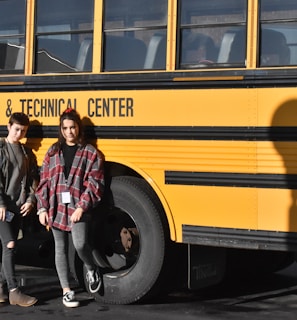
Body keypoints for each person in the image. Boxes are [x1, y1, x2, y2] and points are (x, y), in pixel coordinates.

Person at [35, 108, 104, 308]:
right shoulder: (53, 151)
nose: (69, 132)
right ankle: (66, 290)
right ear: (61, 129)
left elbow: (95, 183)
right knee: (60, 249)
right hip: (56, 208)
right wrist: (42, 209)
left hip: (77, 208)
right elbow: (44, 182)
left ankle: (91, 268)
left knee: (80, 244)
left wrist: (82, 207)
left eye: (72, 127)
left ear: (78, 128)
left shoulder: (90, 153)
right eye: (65, 128)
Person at [0, 112, 38, 307]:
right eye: (16, 129)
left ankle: (1, 289)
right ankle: (14, 291)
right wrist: (1, 203)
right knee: (10, 245)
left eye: (23, 131)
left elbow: (33, 179)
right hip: (2, 207)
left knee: (9, 250)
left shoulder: (26, 153)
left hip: (17, 207)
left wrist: (31, 200)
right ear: (8, 127)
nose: (19, 133)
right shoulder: (1, 148)